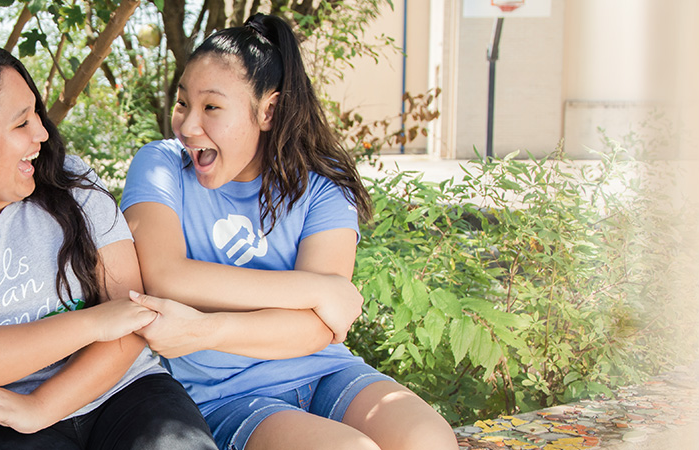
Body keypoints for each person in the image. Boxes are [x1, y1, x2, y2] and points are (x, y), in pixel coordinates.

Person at [119, 14, 458, 450]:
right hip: (227, 396)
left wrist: (207, 329)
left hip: (324, 370)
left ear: (268, 110)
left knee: (431, 441)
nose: (187, 126)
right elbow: (166, 275)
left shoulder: (323, 184)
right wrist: (317, 290)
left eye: (211, 107)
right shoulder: (161, 164)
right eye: (183, 103)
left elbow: (321, 329)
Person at [0, 47, 215, 450]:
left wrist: (43, 405)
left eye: (36, 115)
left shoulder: (72, 182)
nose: (42, 133)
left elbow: (133, 315)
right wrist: (93, 323)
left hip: (125, 388)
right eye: (21, 122)